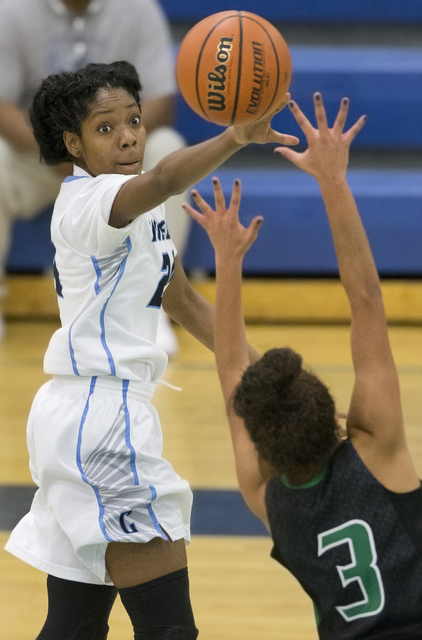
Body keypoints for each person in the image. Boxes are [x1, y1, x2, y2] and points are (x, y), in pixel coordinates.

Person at [4, 61, 298, 639]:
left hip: (82, 421)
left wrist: (274, 383)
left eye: (134, 120)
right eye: (106, 128)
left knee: (74, 624)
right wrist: (236, 136)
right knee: (169, 630)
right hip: (103, 424)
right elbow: (164, 178)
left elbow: (183, 301)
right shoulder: (94, 202)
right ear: (74, 144)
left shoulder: (137, 208)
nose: (130, 135)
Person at [183, 94, 422, 639]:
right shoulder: (377, 449)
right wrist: (332, 180)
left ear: (261, 445)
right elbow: (365, 298)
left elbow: (229, 371)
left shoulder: (268, 498)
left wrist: (225, 264)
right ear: (336, 412)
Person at [0, 0, 186, 352]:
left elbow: (161, 102)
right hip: (40, 156)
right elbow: (1, 103)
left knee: (168, 150)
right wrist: (61, 149)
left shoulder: (140, 10)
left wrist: (103, 147)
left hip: (115, 159)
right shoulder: (11, 10)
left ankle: (155, 300)